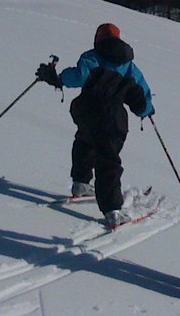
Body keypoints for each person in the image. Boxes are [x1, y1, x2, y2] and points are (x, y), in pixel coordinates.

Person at [36, 22, 155, 228]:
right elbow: (141, 90)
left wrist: (57, 78)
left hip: (86, 111)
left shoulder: (92, 56)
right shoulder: (128, 64)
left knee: (84, 141)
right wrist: (147, 110)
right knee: (108, 158)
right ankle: (112, 210)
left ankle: (81, 183)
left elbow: (79, 76)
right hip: (111, 117)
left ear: (97, 39)